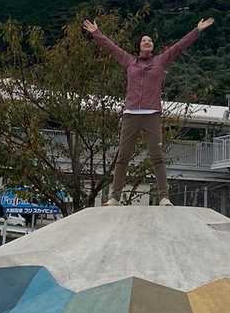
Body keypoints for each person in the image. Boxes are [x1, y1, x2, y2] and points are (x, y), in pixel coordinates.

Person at [83, 15, 213, 206]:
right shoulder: (129, 61)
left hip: (152, 114)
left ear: (152, 46)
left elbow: (179, 47)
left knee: (157, 157)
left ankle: (164, 197)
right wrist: (96, 33)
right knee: (122, 157)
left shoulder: (160, 61)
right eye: (144, 40)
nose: (147, 42)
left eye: (150, 40)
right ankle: (114, 198)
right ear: (139, 45)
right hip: (131, 115)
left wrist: (197, 30)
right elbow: (111, 47)